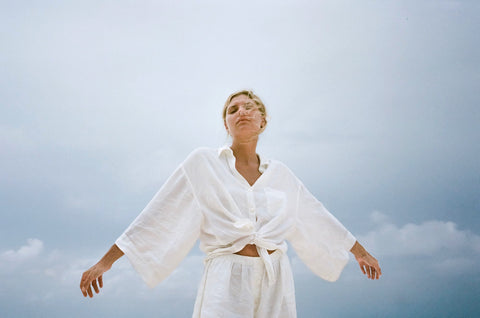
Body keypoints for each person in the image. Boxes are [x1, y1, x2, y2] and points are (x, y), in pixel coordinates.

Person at [80, 90, 381, 317]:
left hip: (275, 279)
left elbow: (315, 215)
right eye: (232, 109)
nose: (241, 112)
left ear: (263, 120)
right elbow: (160, 212)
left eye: (249, 107)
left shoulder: (280, 175)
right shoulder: (203, 163)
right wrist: (105, 262)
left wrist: (361, 253)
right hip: (225, 279)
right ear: (226, 122)